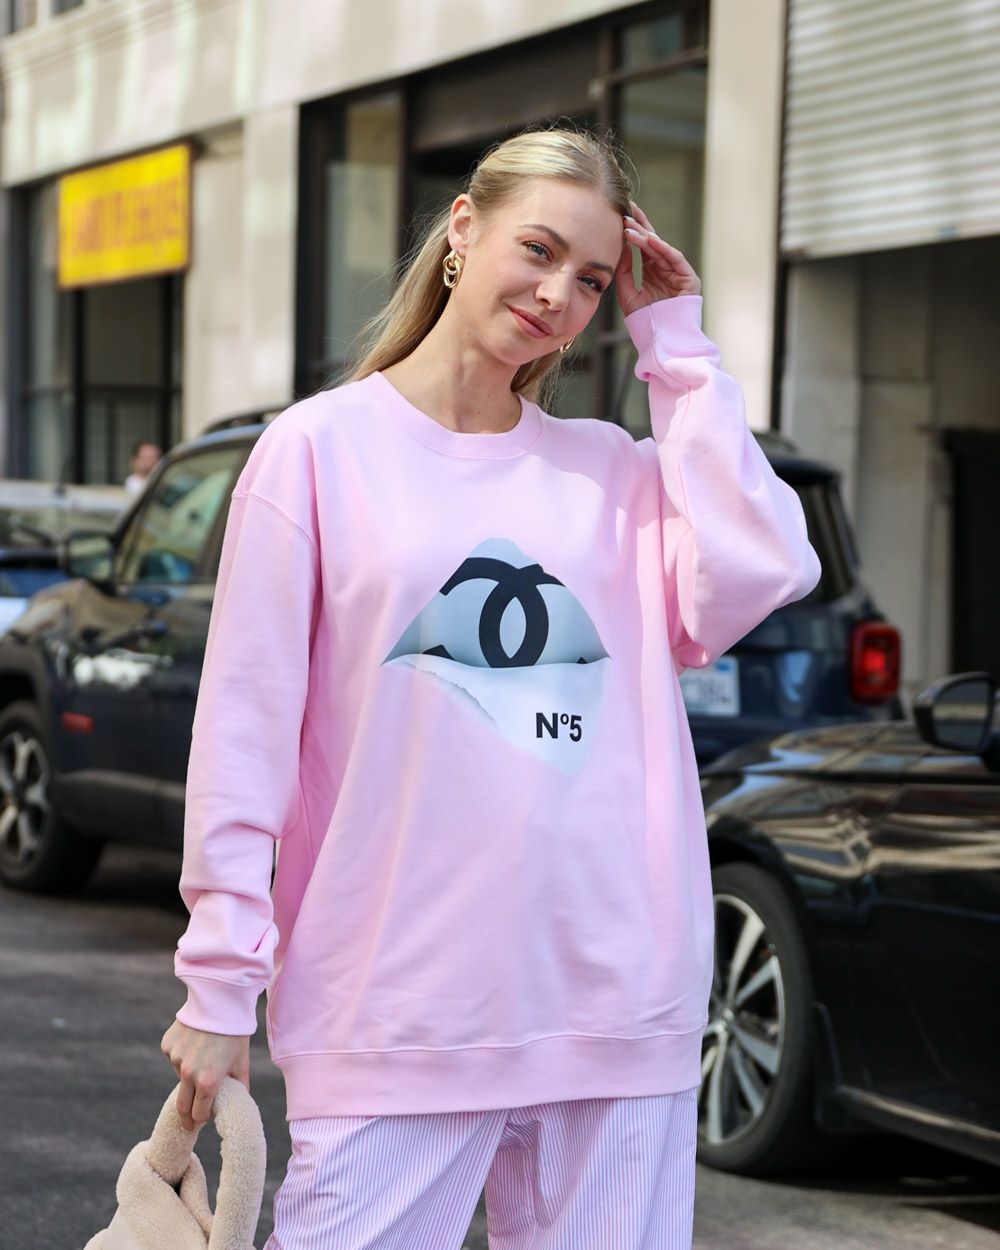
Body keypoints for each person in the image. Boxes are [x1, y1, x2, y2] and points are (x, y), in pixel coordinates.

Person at [161, 126, 820, 1249]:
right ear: (463, 228)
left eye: (595, 279)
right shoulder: (317, 451)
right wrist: (220, 981)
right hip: (396, 1009)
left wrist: (677, 347)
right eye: (540, 250)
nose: (561, 295)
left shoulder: (612, 472)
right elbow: (244, 732)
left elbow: (762, 565)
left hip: (618, 1000)